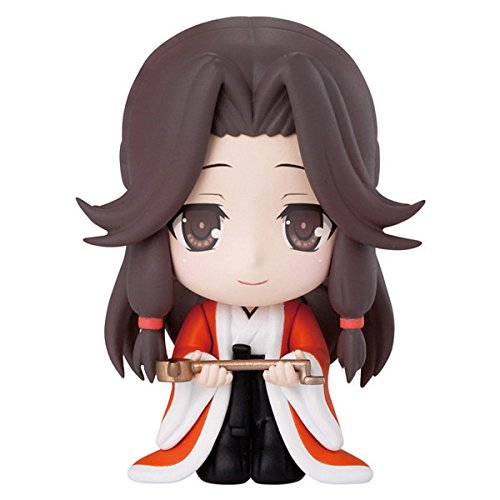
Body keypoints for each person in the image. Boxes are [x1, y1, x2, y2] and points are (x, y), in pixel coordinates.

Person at [78, 16, 423, 484]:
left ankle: (276, 452)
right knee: (223, 448)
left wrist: (301, 369)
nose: (254, 258)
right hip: (218, 401)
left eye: (303, 226)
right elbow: (186, 357)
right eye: (202, 226)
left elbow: (311, 355)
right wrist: (197, 368)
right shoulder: (205, 318)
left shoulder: (294, 317)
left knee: (276, 449)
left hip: (281, 403)